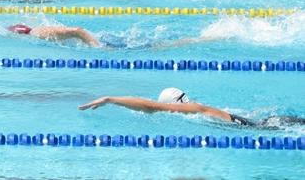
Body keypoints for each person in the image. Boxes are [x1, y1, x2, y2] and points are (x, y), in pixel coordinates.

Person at [78, 87, 305, 129]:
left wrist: (110, 99)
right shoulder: (202, 109)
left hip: (275, 127)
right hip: (268, 124)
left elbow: (150, 106)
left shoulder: (196, 109)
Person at [7, 24, 101, 47]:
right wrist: (99, 48)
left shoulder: (39, 33)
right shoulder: (39, 33)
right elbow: (78, 31)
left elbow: (78, 31)